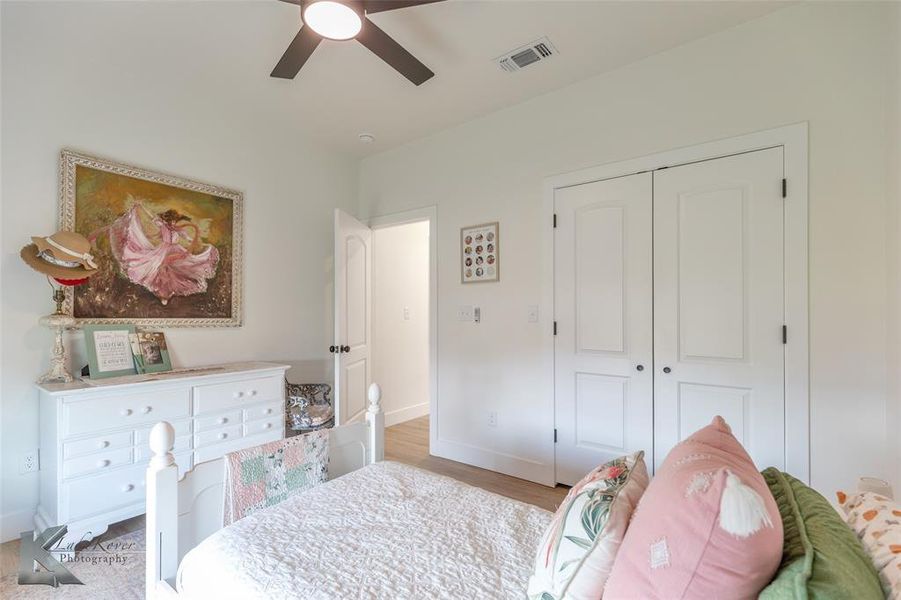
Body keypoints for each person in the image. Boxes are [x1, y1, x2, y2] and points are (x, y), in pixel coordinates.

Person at [93, 202, 220, 305]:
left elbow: (187, 237)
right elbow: (151, 217)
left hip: (176, 249)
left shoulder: (178, 230)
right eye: (171, 221)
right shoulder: (162, 226)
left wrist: (194, 241)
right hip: (163, 250)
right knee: (158, 270)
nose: (173, 223)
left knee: (178, 270)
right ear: (167, 220)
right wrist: (141, 207)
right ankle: (162, 294)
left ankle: (168, 293)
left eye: (174, 221)